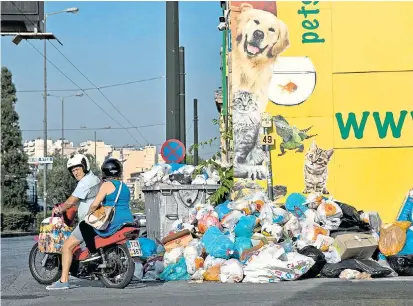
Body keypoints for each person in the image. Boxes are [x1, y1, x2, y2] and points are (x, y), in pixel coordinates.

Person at [46, 153, 101, 290]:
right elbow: (86, 200)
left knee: (66, 247)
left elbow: (71, 200)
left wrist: (60, 208)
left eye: (77, 169)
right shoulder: (94, 179)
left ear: (85, 166)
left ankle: (63, 281)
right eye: (73, 170)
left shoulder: (85, 182)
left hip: (89, 222)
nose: (75, 172)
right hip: (98, 219)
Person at [79, 158, 134, 258]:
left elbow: (95, 205)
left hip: (113, 221)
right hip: (129, 219)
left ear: (105, 171)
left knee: (84, 225)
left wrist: (88, 215)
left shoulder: (106, 185)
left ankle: (93, 252)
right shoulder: (125, 186)